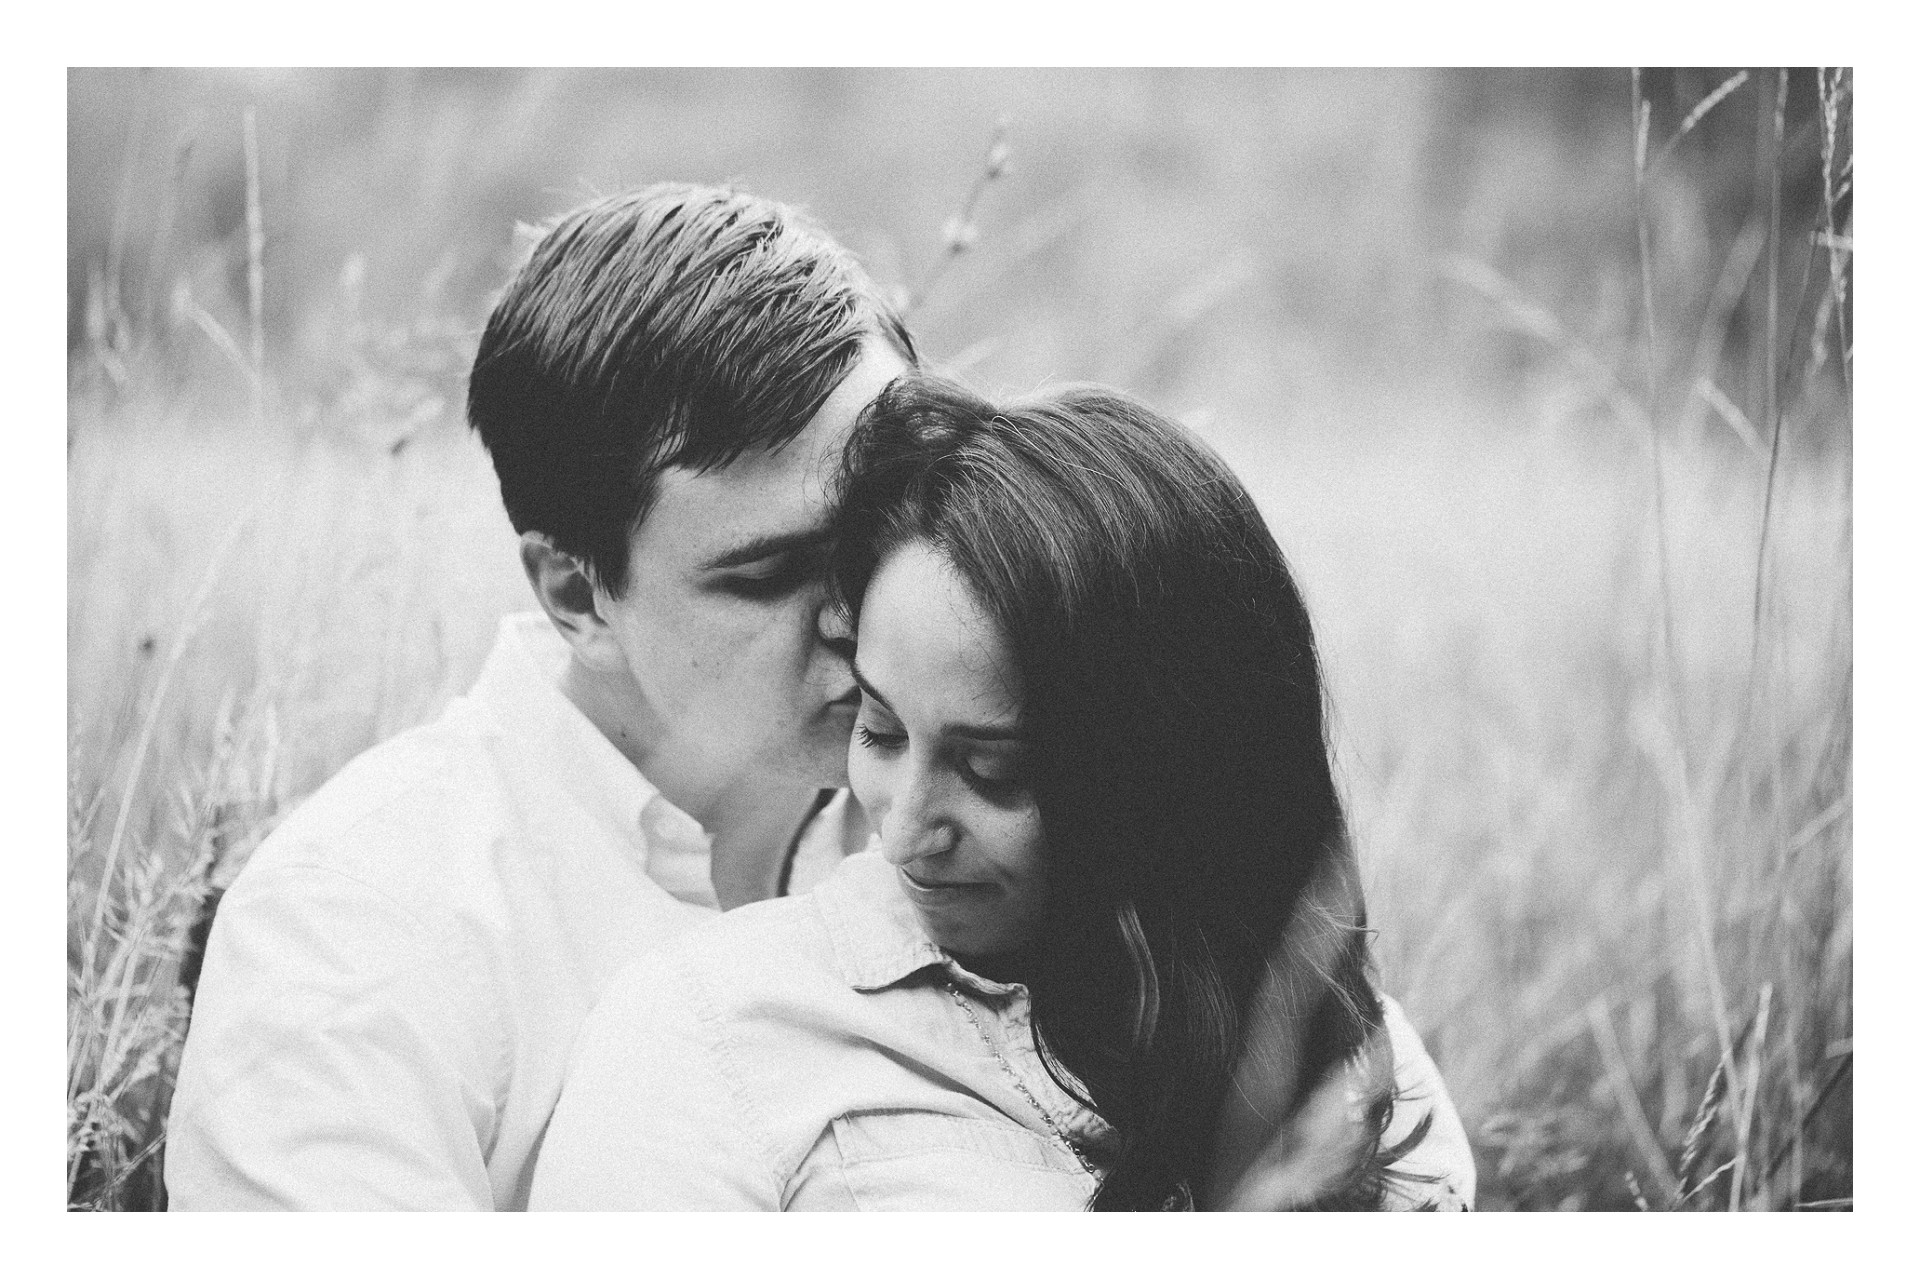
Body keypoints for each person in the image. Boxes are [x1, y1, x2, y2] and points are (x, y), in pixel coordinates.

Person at [530, 374, 1474, 1211]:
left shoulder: (1352, 1072)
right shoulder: (708, 1036)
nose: (903, 832)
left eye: (996, 771)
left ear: (1169, 778)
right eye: (881, 729)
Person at [165, 183, 915, 1209]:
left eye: (884, 531)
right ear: (575, 592)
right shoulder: (356, 931)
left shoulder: (1008, 813)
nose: (860, 613)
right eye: (773, 572)